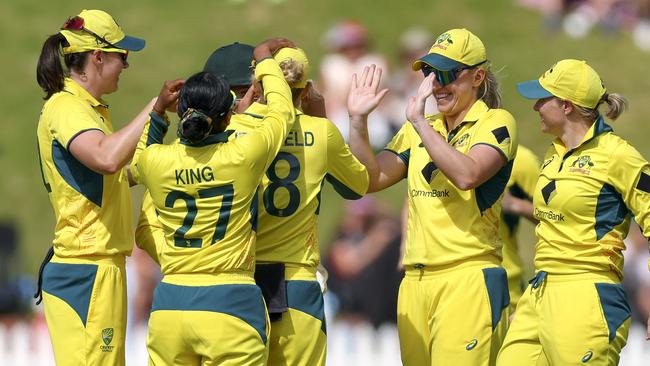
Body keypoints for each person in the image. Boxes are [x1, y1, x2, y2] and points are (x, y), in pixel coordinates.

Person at [346, 28, 518, 365]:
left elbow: (468, 175)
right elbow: (370, 178)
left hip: (466, 277)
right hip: (415, 283)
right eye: (429, 73)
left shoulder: (496, 122)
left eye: (447, 74)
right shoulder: (422, 126)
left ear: (478, 76)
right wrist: (357, 120)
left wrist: (420, 123)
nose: (436, 84)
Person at [131, 38, 296, 366]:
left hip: (170, 303)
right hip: (229, 301)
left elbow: (138, 160)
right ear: (228, 115)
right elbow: (282, 111)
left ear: (181, 112)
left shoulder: (156, 162)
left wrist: (157, 112)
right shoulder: (243, 155)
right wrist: (265, 61)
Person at [33, 9, 180, 366]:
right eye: (122, 56)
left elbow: (119, 173)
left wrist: (161, 130)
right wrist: (153, 106)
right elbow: (107, 157)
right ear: (98, 56)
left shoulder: (89, 109)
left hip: (97, 268)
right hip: (85, 270)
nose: (126, 66)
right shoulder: (66, 107)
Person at [497, 59, 650, 365]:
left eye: (542, 99)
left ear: (566, 106)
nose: (535, 107)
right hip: (539, 294)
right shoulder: (554, 154)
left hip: (588, 297)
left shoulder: (618, 155)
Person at [227, 46, 369, 366]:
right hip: (296, 281)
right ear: (306, 91)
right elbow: (358, 186)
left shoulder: (238, 129)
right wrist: (324, 119)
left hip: (241, 276)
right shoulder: (322, 131)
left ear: (259, 84)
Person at [500, 145, 540, 311]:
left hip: (504, 288)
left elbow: (557, 217)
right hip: (437, 283)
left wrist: (513, 204)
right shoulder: (436, 147)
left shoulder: (520, 159)